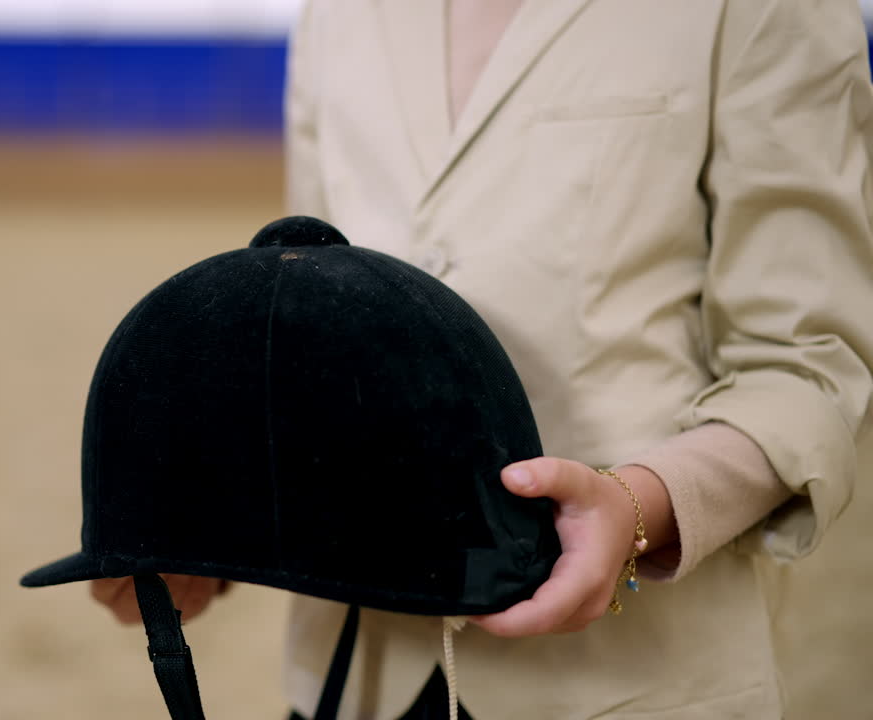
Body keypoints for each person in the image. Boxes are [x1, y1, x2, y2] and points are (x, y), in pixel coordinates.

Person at [93, 1, 873, 717]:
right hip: (351, 676)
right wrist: (212, 532)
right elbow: (313, 329)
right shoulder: (334, 11)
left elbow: (809, 365)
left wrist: (638, 508)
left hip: (628, 685)